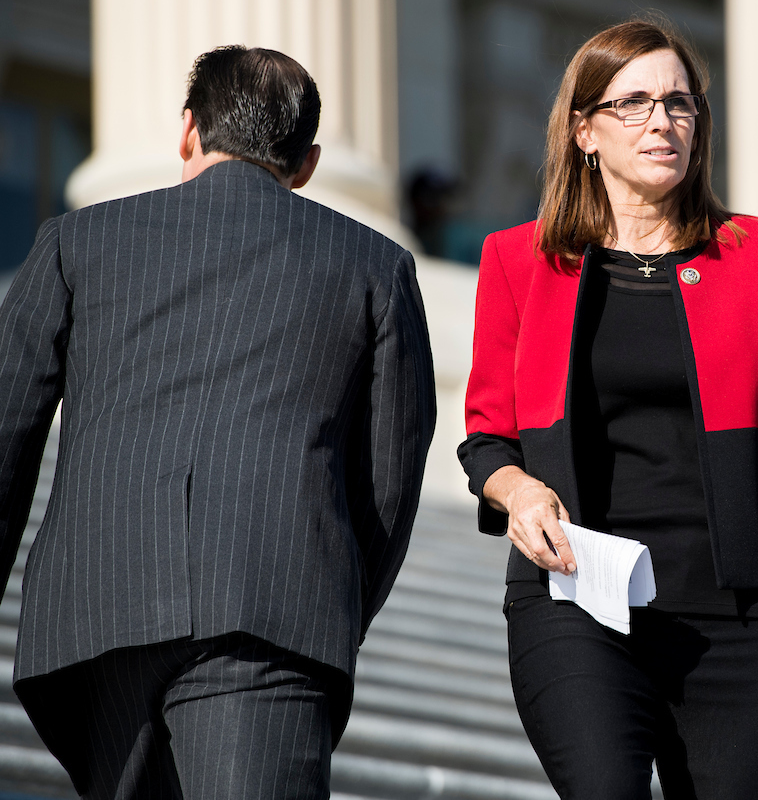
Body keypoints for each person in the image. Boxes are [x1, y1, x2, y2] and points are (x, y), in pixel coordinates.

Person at [458, 19, 758, 799]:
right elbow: (487, 440)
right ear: (585, 132)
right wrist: (521, 491)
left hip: (737, 616)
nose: (662, 120)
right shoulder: (521, 260)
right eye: (633, 103)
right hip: (578, 599)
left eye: (679, 102)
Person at [0, 46, 435, 799]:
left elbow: (7, 434)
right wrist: (328, 596)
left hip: (95, 610)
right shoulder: (376, 266)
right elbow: (390, 473)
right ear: (307, 162)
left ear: (187, 131)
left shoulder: (74, 241)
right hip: (273, 614)